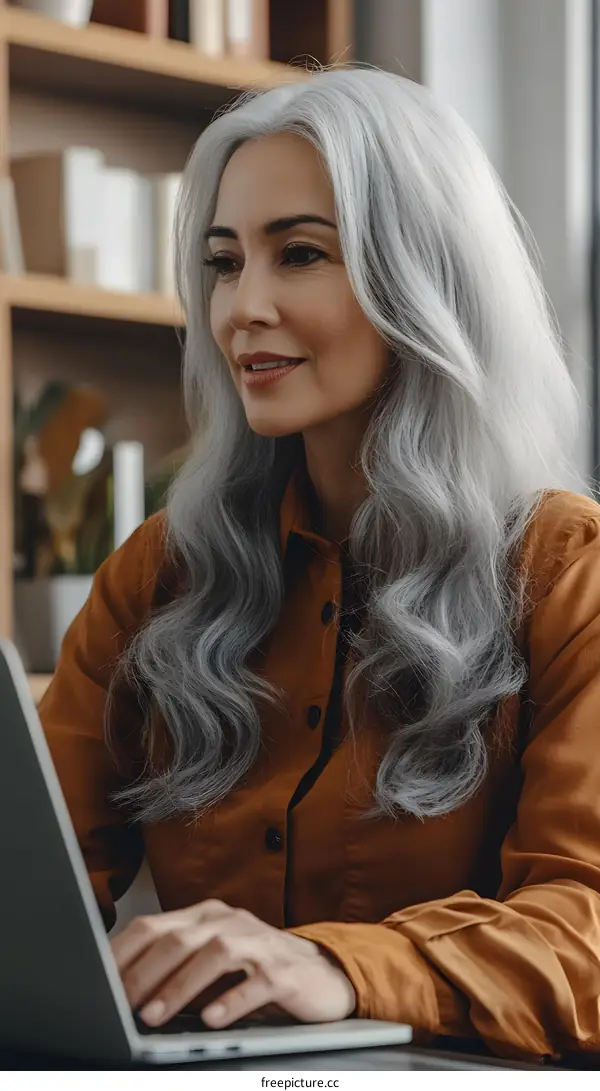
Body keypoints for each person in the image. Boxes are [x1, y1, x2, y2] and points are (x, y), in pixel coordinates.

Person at [39, 64, 600, 1064]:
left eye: (299, 254)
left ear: (422, 277)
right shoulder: (160, 574)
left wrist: (337, 967)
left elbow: (586, 926)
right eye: (223, 262)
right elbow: (34, 889)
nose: (241, 307)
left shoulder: (566, 573)